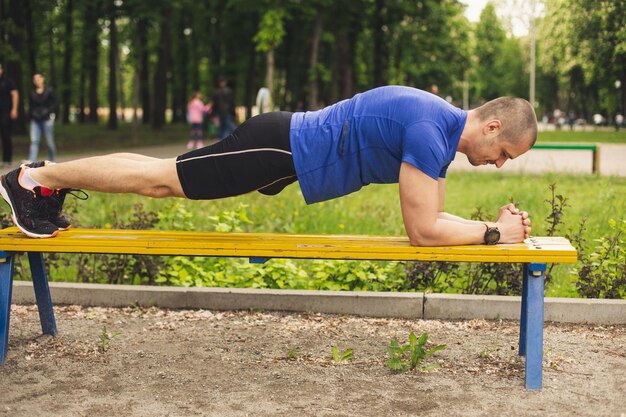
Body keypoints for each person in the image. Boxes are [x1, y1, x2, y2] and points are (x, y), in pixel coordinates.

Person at [0, 85, 534, 245]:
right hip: (279, 147)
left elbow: (436, 222)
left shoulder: (439, 133)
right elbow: (423, 230)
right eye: (505, 154)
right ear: (491, 127)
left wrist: (494, 231)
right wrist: (494, 234)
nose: (500, 166)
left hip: (289, 155)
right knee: (160, 180)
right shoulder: (428, 127)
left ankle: (43, 182)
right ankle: (36, 179)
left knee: (161, 177)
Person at [28, 73, 58, 163]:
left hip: (47, 119)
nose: (37, 81)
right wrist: (33, 114)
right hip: (35, 120)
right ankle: (31, 161)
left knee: (50, 142)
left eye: (38, 78)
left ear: (42, 79)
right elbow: (31, 106)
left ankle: (52, 161)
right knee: (34, 141)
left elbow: (55, 103)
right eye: (35, 79)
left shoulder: (49, 90)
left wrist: (48, 111)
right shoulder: (32, 92)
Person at [0, 63, 19, 167]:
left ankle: (7, 159)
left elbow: (15, 94)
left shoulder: (7, 82)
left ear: (2, 70)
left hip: (6, 112)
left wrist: (14, 109)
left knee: (6, 135)